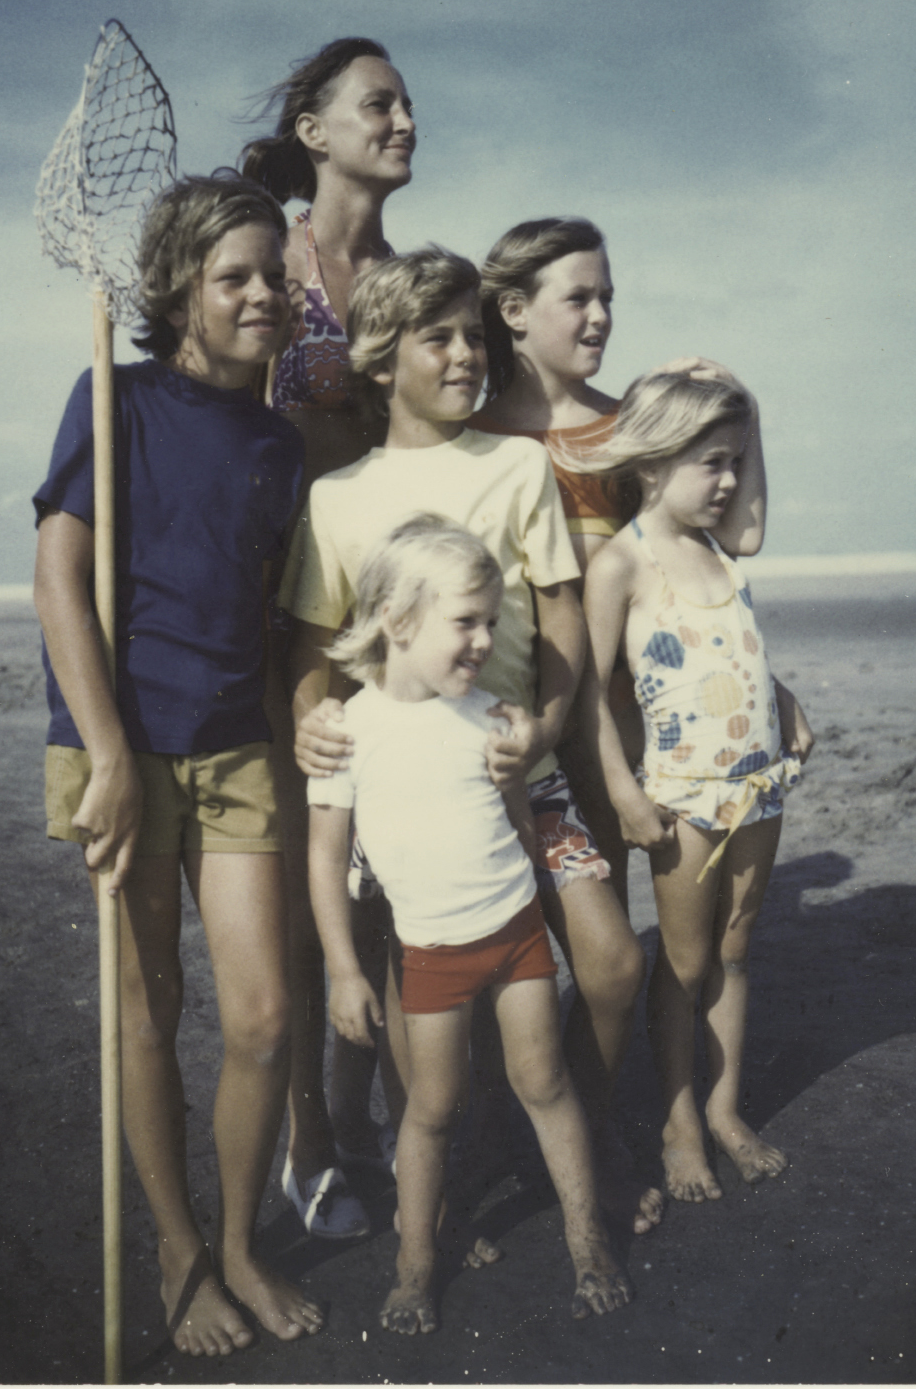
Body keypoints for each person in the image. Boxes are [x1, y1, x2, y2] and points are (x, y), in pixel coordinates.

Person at [280, 245, 660, 1237]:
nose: (462, 356)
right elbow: (317, 648)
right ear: (378, 357)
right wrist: (308, 717)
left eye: (472, 337)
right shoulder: (337, 496)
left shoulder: (515, 462)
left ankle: (575, 1121)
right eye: (435, 337)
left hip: (525, 780)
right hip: (408, 805)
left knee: (613, 963)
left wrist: (541, 719)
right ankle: (463, 1170)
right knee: (423, 1025)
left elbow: (561, 616)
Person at [32, 173, 324, 1356]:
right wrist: (105, 750)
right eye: (231, 277)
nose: (260, 292)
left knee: (259, 1013)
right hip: (120, 745)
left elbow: (275, 614)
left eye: (272, 273)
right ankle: (175, 1246)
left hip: (234, 745)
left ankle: (242, 1243)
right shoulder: (115, 398)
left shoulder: (276, 439)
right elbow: (59, 578)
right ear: (176, 292)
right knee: (151, 1004)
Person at [307, 513, 632, 1333]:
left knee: (544, 1083)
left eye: (492, 621)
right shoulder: (349, 730)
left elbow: (518, 821)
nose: (485, 638)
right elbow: (324, 860)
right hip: (430, 957)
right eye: (466, 621)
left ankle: (586, 1238)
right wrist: (345, 969)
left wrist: (521, 796)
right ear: (398, 619)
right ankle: (415, 1263)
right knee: (431, 1108)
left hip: (515, 935)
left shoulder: (494, 718)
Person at [239, 36, 416, 1235]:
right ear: (313, 128)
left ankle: (361, 1120)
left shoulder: (409, 283)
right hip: (276, 622)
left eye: (406, 105)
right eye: (376, 104)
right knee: (307, 891)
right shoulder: (268, 263)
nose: (400, 120)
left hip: (384, 623)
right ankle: (311, 1141)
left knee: (383, 886)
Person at [475, 217, 769, 909]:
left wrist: (744, 408)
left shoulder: (632, 433)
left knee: (603, 924)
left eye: (607, 297)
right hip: (510, 718)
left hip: (611, 716)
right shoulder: (472, 440)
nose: (601, 316)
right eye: (578, 299)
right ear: (513, 311)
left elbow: (742, 536)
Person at [578, 366, 815, 1204]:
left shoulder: (723, 544)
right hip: (681, 793)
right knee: (680, 965)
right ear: (650, 462)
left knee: (734, 953)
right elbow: (588, 692)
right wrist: (622, 789)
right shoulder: (622, 562)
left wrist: (745, 402)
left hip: (760, 787)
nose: (726, 481)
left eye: (734, 460)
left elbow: (747, 542)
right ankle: (678, 1121)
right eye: (708, 462)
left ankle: (721, 1110)